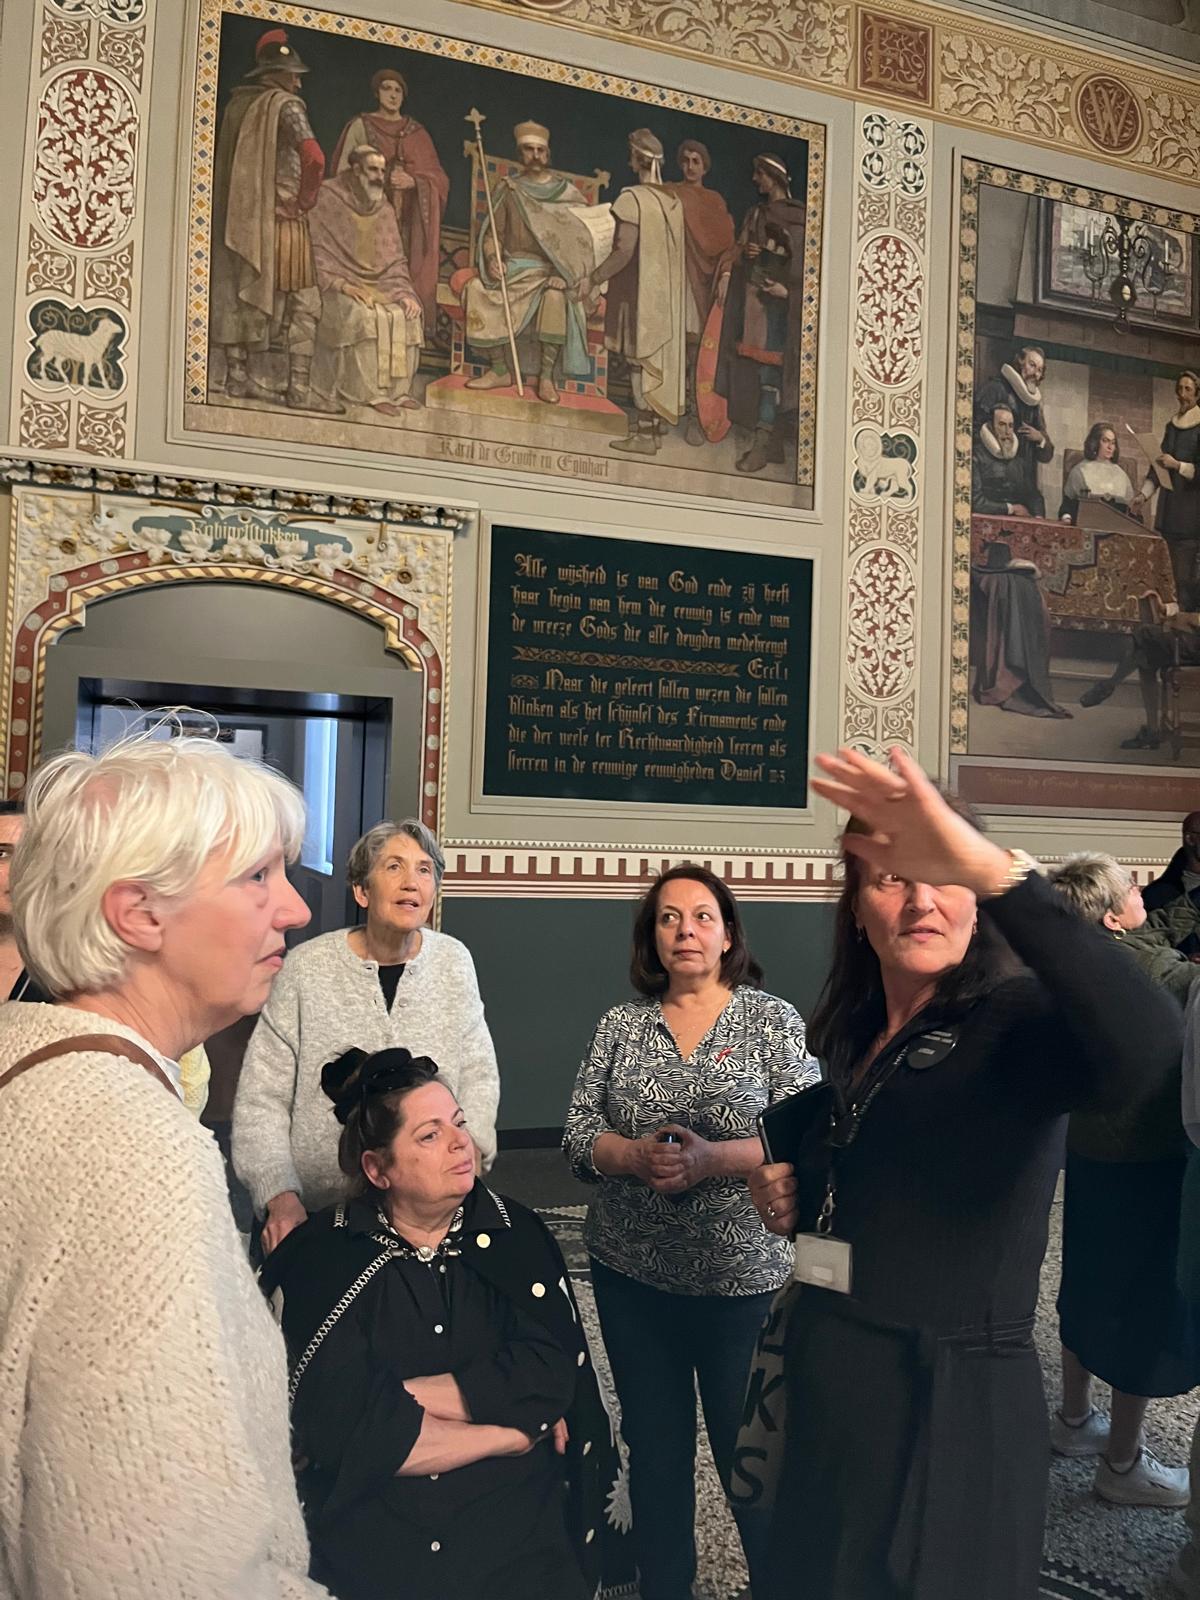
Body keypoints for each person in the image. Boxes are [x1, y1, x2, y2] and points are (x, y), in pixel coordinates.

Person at [744, 746, 1181, 1600]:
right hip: (833, 1393)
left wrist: (996, 871)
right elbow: (889, 1177)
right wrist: (791, 1192)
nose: (919, 899)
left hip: (947, 1417)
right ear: (855, 911)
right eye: (889, 879)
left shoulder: (1012, 1025)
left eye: (941, 875)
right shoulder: (855, 1033)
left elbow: (1150, 1046)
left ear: (977, 902)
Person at [0, 731, 327, 1597]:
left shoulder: (38, 1068)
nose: (293, 909)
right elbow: (153, 1569)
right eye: (258, 877)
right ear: (140, 913)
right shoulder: (127, 1148)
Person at [261, 1046, 633, 1600]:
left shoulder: (517, 1237)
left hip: (517, 1547)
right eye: (429, 1135)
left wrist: (393, 1399)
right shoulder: (322, 1258)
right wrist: (506, 1435)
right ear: (377, 1168)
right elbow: (339, 1432)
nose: (462, 1143)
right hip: (378, 1553)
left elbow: (550, 1378)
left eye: (459, 1124)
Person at [563, 863, 817, 1600]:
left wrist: (712, 1160)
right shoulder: (621, 1024)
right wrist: (633, 1156)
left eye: (702, 916)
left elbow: (803, 1133)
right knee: (657, 1457)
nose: (685, 931)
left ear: (728, 932)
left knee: (753, 1467)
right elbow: (579, 1134)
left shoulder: (771, 1021)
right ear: (652, 937)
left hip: (743, 1285)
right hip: (631, 1277)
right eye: (669, 918)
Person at [233, 819, 500, 1253]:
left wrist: (471, 1157)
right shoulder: (306, 968)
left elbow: (478, 1074)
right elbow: (261, 1098)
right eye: (394, 867)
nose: (411, 882)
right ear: (362, 891)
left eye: (424, 870)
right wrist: (279, 1195)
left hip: (425, 1213)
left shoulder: (454, 962)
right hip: (315, 1212)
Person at [1046, 853, 1197, 1507]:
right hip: (1149, 1156)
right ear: (1111, 914)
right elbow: (1178, 975)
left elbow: (1156, 929)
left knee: (1084, 1282)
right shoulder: (1152, 974)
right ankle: (1123, 1462)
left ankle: (1074, 1420)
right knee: (1143, 1306)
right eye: (1133, 887)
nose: (1143, 892)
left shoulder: (1068, 959)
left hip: (1085, 1149)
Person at [210, 27, 325, 409]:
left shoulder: (236, 105)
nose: (298, 82)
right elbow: (315, 157)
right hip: (283, 220)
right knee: (305, 303)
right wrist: (303, 202)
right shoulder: (286, 105)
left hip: (238, 222)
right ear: (274, 73)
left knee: (237, 293)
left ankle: (238, 379)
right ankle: (299, 391)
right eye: (292, 73)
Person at [463, 121, 595, 403]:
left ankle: (546, 378)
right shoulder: (509, 189)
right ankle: (499, 370)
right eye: (528, 150)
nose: (535, 155)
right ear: (520, 154)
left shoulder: (567, 194)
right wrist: (491, 258)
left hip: (551, 273)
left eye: (540, 150)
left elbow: (582, 243)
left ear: (548, 154)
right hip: (515, 268)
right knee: (476, 288)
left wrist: (565, 274)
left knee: (556, 299)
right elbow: (493, 236)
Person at [575, 128, 686, 457]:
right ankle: (652, 428)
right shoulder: (673, 201)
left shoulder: (632, 198)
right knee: (649, 360)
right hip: (664, 300)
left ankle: (644, 435)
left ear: (637, 158)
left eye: (631, 153)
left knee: (639, 363)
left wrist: (594, 277)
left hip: (636, 296)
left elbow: (623, 252)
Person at [309, 145, 424, 415]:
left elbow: (394, 259)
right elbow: (316, 251)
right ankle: (366, 393)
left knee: (407, 314)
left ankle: (398, 392)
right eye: (373, 169)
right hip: (336, 285)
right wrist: (344, 285)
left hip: (380, 286)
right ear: (356, 169)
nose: (379, 177)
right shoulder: (328, 197)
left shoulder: (383, 207)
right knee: (363, 314)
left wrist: (405, 292)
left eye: (382, 171)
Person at [331, 65, 449, 327]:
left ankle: (404, 328)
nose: (393, 95)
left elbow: (438, 178)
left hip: (408, 226)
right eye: (387, 89)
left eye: (398, 90)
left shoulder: (417, 133)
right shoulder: (361, 125)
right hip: (366, 221)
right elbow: (342, 174)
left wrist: (415, 182)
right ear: (377, 93)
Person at [714, 154, 806, 475]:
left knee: (773, 377)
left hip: (785, 310)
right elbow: (740, 249)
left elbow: (809, 268)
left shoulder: (802, 217)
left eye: (760, 175)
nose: (755, 180)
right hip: (755, 308)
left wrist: (790, 292)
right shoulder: (755, 214)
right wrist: (732, 267)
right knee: (758, 375)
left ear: (774, 178)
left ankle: (762, 446)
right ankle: (772, 442)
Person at [664, 138, 735, 446]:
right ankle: (663, 412)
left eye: (696, 161)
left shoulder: (714, 200)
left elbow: (726, 246)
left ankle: (694, 415)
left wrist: (726, 274)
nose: (690, 166)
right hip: (671, 277)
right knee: (668, 348)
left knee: (694, 350)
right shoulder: (670, 193)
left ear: (705, 166)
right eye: (686, 160)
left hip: (700, 281)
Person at [1132, 370, 1200, 610]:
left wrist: (1177, 465)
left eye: (1188, 390)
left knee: (1183, 580)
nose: (1182, 395)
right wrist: (1143, 495)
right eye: (1179, 389)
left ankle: (1181, 636)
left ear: (1197, 394)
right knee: (1163, 577)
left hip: (1190, 517)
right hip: (1168, 513)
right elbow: (1157, 467)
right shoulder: (1171, 427)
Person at [974, 344, 1055, 518]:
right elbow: (973, 429)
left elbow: (1047, 454)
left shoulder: (1034, 405)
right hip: (990, 477)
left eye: (1040, 370)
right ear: (1020, 362)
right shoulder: (995, 389)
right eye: (1032, 365)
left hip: (1021, 478)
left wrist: (1040, 438)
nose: (1035, 373)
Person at [971, 404, 1045, 517]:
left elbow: (1034, 496)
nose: (1007, 432)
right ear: (990, 427)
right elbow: (976, 502)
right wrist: (1010, 509)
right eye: (1001, 425)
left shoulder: (1019, 461)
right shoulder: (976, 457)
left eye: (1010, 426)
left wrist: (1038, 517)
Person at [1058, 420, 1136, 523]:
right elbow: (1067, 507)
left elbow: (1130, 512)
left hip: (1116, 530)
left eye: (1113, 443)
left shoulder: (1121, 474)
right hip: (1088, 527)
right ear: (1094, 442)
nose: (1110, 447)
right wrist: (1066, 518)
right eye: (1105, 441)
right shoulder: (1080, 471)